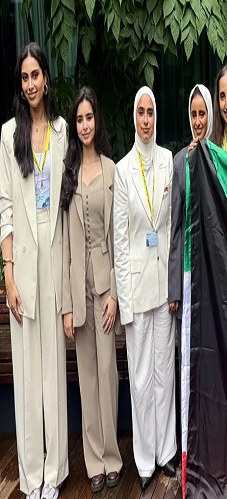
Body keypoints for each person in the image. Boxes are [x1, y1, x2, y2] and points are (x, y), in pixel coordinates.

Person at [0, 42, 68, 499]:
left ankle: (55, 471)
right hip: (23, 262)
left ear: (46, 78)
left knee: (53, 373)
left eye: (35, 75)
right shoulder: (9, 135)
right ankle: (31, 475)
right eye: (24, 77)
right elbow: (5, 207)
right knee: (27, 378)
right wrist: (8, 274)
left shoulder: (62, 130)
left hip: (54, 256)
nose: (30, 84)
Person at [113, 86, 176, 490]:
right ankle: (144, 459)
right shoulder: (123, 171)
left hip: (163, 289)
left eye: (151, 112)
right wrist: (125, 303)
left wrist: (174, 286)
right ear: (133, 117)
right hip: (137, 291)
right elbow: (120, 242)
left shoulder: (168, 161)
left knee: (164, 373)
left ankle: (166, 452)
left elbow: (168, 227)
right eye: (141, 112)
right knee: (140, 379)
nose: (146, 119)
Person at [60, 87, 122, 493]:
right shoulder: (67, 175)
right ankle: (93, 461)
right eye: (79, 119)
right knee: (86, 378)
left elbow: (118, 238)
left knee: (107, 374)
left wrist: (114, 292)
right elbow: (65, 244)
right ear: (75, 125)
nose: (85, 125)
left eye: (89, 117)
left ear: (97, 120)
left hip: (104, 289)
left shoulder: (111, 170)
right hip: (78, 291)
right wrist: (67, 305)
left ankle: (112, 457)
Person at [168, 84, 213, 335]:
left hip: (214, 270)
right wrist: (174, 288)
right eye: (194, 115)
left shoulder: (220, 158)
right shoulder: (179, 162)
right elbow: (175, 228)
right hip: (188, 273)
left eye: (202, 114)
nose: (197, 122)